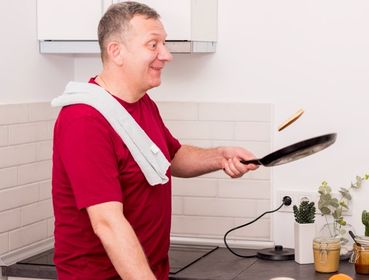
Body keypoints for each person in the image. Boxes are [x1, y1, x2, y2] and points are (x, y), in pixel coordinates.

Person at [51, 2, 258, 279]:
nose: (166, 55)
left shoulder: (141, 103)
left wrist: (221, 156)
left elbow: (169, 158)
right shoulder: (84, 119)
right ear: (116, 51)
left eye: (164, 43)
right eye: (153, 45)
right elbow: (107, 223)